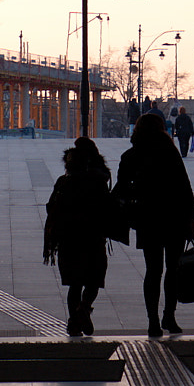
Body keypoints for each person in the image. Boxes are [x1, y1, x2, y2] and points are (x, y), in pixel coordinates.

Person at [114, 110, 194, 336]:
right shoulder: (169, 152)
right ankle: (169, 316)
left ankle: (152, 321)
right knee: (172, 270)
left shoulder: (131, 155)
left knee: (153, 271)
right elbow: (184, 187)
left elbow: (120, 190)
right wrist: (190, 219)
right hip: (175, 218)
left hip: (148, 219)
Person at [42, 137, 116, 335]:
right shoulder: (99, 182)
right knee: (94, 279)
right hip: (93, 237)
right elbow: (108, 208)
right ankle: (84, 309)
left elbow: (51, 207)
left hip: (69, 238)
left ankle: (74, 321)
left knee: (74, 283)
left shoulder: (64, 181)